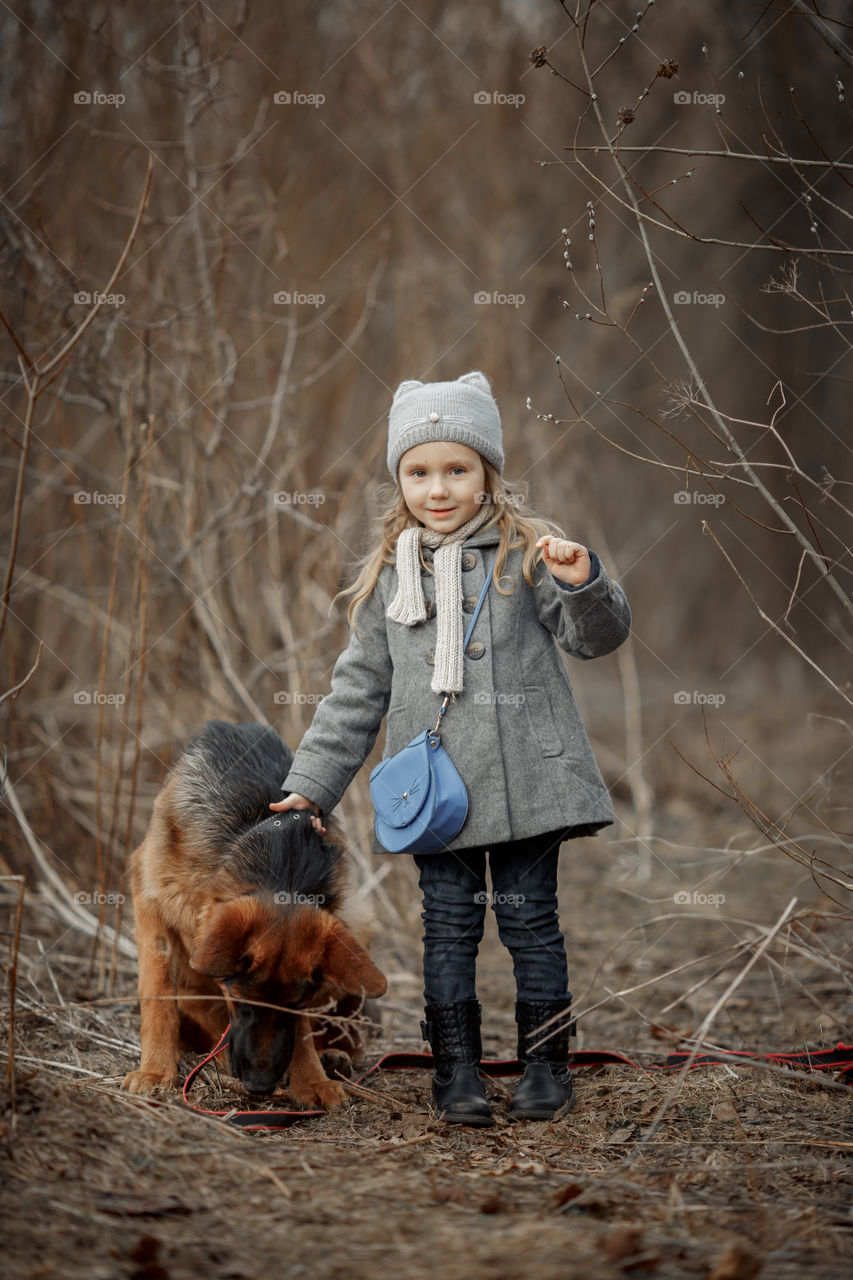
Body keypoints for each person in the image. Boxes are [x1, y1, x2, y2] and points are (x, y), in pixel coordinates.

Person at [270, 370, 631, 1126]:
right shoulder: (385, 583)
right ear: (399, 480)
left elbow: (593, 640)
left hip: (529, 781)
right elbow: (355, 694)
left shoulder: (527, 554)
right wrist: (311, 785)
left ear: (487, 473)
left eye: (457, 469)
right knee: (450, 925)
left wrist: (582, 582)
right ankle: (455, 1072)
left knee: (532, 920)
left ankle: (546, 1064)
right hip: (433, 793)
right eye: (419, 471)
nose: (438, 488)